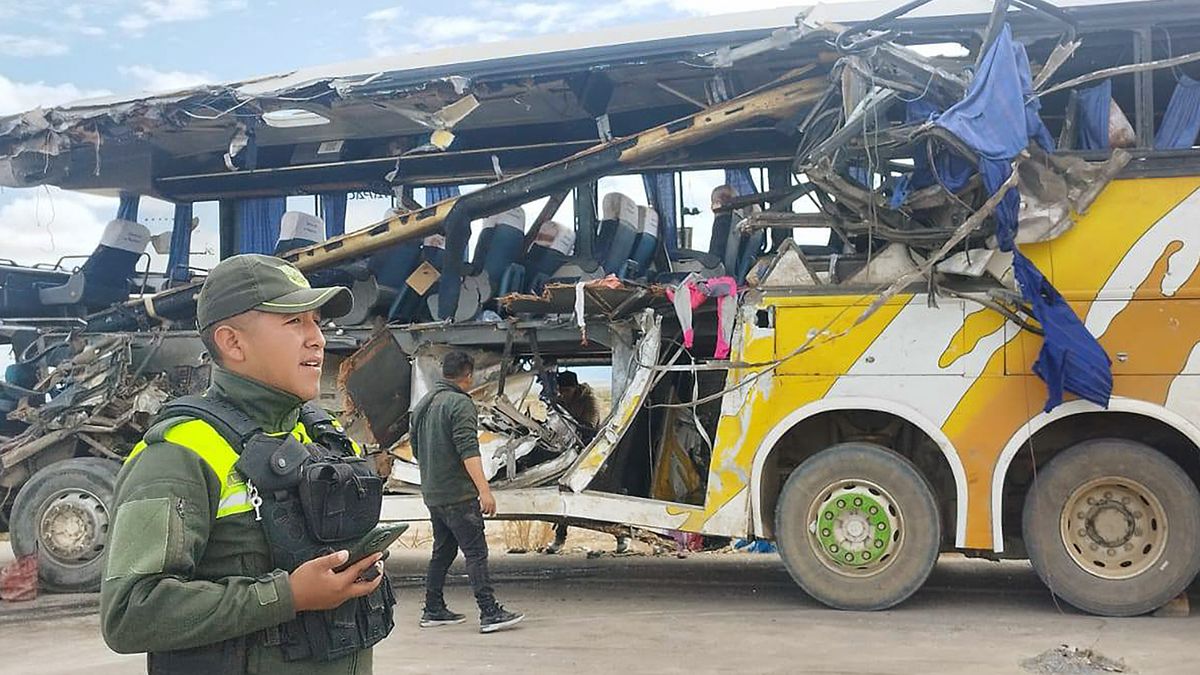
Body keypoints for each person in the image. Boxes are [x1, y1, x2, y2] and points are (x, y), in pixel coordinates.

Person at [100, 254, 395, 674]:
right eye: (294, 322)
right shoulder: (179, 453)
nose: (318, 339)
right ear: (232, 342)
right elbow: (128, 613)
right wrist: (288, 595)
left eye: (316, 321)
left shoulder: (319, 433)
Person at [411, 350, 524, 633]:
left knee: (443, 551)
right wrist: (484, 491)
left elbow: (415, 448)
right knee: (475, 553)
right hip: (458, 495)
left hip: (433, 494)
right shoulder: (459, 404)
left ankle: (433, 609)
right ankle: (489, 612)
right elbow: (468, 451)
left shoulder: (425, 403)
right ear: (468, 375)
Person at [544, 370, 631, 556]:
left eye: (566, 390)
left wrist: (571, 422)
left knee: (601, 496)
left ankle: (622, 535)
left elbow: (590, 426)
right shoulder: (562, 400)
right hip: (569, 454)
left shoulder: (589, 401)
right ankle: (560, 538)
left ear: (575, 388)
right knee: (564, 497)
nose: (564, 394)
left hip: (589, 454)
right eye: (561, 391)